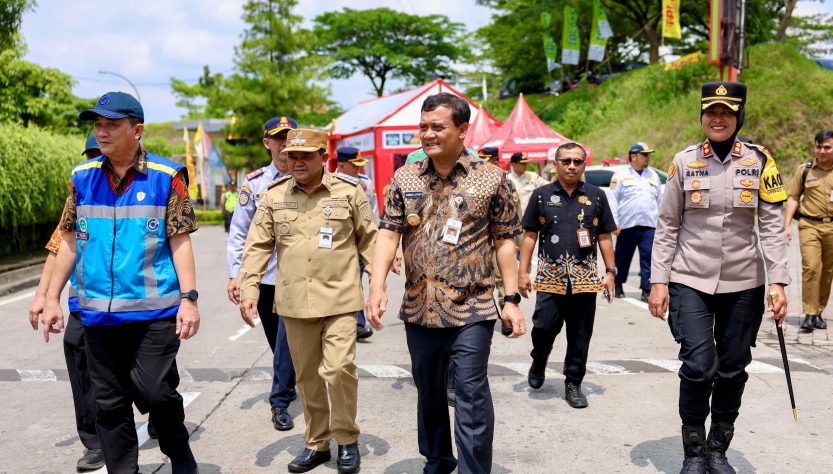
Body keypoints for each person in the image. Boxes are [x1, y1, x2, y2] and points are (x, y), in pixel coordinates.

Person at [40, 92, 201, 473]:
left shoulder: (166, 177)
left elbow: (179, 240)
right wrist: (50, 297)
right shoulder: (82, 178)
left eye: (112, 125)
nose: (102, 132)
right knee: (109, 405)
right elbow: (67, 239)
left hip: (154, 313)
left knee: (155, 392)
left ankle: (179, 453)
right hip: (97, 314)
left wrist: (189, 298)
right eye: (98, 125)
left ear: (137, 130)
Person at [366, 93, 525, 474]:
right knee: (429, 391)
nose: (428, 134)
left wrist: (512, 298)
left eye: (437, 127)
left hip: (473, 307)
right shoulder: (405, 177)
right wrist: (376, 286)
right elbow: (388, 233)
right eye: (423, 127)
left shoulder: (492, 178)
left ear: (462, 129)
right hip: (419, 307)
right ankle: (438, 459)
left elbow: (505, 241)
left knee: (470, 392)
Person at [648, 82, 789, 474]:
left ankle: (717, 449)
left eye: (727, 112)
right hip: (689, 278)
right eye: (711, 111)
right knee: (698, 366)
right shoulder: (684, 161)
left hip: (744, 282)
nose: (718, 119)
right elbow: (667, 225)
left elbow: (772, 227)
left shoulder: (761, 161)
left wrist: (778, 281)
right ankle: (693, 452)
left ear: (739, 116)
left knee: (732, 368)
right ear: (702, 116)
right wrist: (658, 281)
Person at [240, 128, 377, 474]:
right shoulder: (273, 196)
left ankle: (346, 438)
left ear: (323, 157)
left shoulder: (349, 192)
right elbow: (257, 246)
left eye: (306, 156)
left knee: (339, 369)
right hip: (295, 302)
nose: (297, 162)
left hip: (340, 299)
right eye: (292, 156)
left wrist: (378, 287)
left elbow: (370, 241)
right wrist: (249, 289)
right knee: (307, 377)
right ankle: (317, 443)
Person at [28, 134, 106, 471]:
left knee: (147, 381)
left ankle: (162, 414)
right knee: (78, 357)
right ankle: (94, 442)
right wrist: (43, 297)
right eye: (91, 156)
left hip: (132, 304)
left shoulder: (138, 192)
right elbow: (59, 247)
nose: (95, 162)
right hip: (84, 302)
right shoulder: (78, 195)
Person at [518, 142, 616, 409]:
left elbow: (604, 235)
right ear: (555, 164)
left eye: (577, 161)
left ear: (583, 165)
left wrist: (610, 272)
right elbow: (529, 235)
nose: (572, 166)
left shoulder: (596, 196)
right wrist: (523, 272)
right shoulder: (541, 195)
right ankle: (539, 359)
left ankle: (573, 382)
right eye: (566, 161)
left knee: (580, 335)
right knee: (543, 328)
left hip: (585, 279)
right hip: (550, 277)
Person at [227, 115, 299, 431]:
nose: (284, 144)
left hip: (300, 278)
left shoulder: (310, 176)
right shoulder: (255, 183)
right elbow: (239, 232)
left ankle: (279, 400)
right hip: (267, 278)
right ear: (267, 143)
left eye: (289, 137)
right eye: (278, 138)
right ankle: (289, 382)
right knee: (278, 343)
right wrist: (237, 275)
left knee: (287, 339)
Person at [784, 130, 833, 332]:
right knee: (811, 267)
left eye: (827, 147)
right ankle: (809, 313)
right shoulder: (804, 170)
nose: (822, 151)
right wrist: (787, 225)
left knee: (827, 271)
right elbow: (793, 197)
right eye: (819, 146)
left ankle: (819, 312)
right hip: (809, 225)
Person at [609, 142, 663, 302]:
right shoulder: (620, 175)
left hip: (649, 226)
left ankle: (646, 289)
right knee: (622, 258)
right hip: (626, 226)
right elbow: (612, 200)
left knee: (649, 258)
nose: (648, 157)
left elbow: (660, 200)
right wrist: (613, 222)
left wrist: (662, 223)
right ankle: (618, 284)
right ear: (633, 156)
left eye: (648, 155)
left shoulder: (653, 175)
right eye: (644, 154)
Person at [336, 146, 379, 340]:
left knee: (356, 282)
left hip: (361, 241)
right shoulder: (330, 183)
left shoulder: (365, 182)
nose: (357, 169)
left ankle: (358, 325)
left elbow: (373, 212)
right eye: (354, 165)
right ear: (341, 166)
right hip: (340, 244)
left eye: (359, 165)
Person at [506, 152, 548, 216]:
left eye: (526, 163)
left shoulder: (532, 176)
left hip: (531, 216)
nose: (525, 165)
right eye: (522, 163)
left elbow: (547, 186)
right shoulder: (507, 179)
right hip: (515, 217)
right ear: (513, 164)